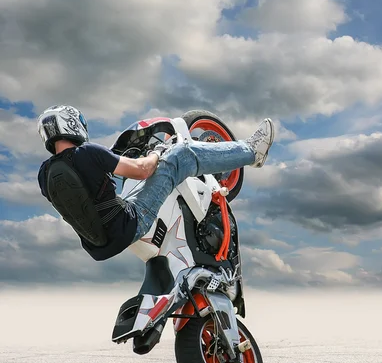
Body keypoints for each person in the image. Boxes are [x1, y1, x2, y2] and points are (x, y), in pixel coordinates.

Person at [37, 105, 275, 261]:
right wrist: (157, 153)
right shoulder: (88, 153)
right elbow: (143, 171)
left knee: (133, 192)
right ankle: (251, 152)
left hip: (100, 245)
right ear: (72, 124)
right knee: (180, 156)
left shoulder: (44, 173)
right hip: (130, 222)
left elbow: (85, 196)